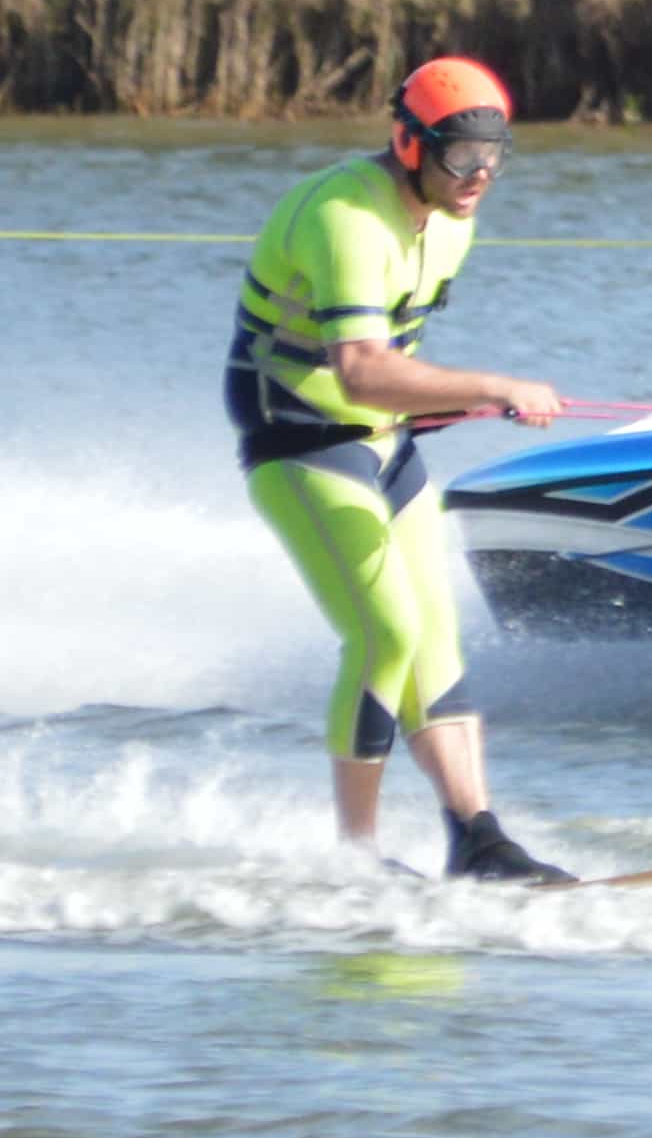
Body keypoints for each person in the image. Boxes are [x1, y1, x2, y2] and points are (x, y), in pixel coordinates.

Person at [230, 53, 573, 882]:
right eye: (460, 156)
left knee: (434, 640)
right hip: (301, 441)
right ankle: (356, 859)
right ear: (409, 144)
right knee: (385, 634)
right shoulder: (346, 216)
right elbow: (359, 369)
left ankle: (478, 839)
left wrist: (441, 403)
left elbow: (396, 363)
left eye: (493, 155)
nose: (478, 174)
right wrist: (494, 387)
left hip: (385, 441)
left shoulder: (453, 219)